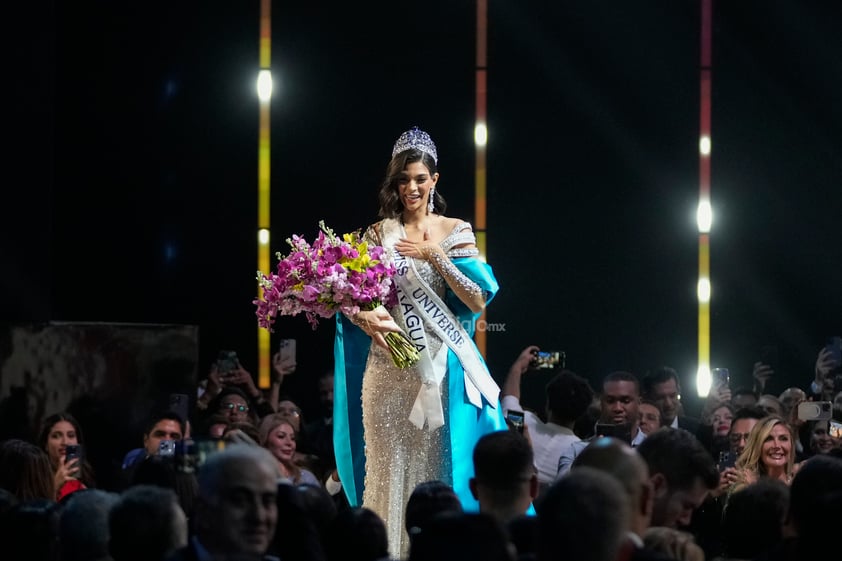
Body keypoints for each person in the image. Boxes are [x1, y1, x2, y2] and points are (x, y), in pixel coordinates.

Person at [333, 126, 506, 557]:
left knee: (433, 471)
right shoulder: (377, 235)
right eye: (403, 179)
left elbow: (477, 300)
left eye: (419, 179)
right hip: (388, 370)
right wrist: (363, 315)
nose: (411, 187)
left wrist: (435, 256)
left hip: (437, 370)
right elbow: (355, 301)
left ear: (435, 180)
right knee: (387, 474)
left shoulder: (455, 229)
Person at [501, 344, 594, 493]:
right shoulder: (578, 449)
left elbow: (509, 399)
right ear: (582, 413)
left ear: (547, 404)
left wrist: (518, 366)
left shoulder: (524, 422)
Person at [37, 412, 96, 500]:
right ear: (45, 444)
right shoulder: (36, 476)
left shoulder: (85, 475)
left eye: (71, 435)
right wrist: (55, 487)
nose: (65, 442)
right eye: (56, 436)